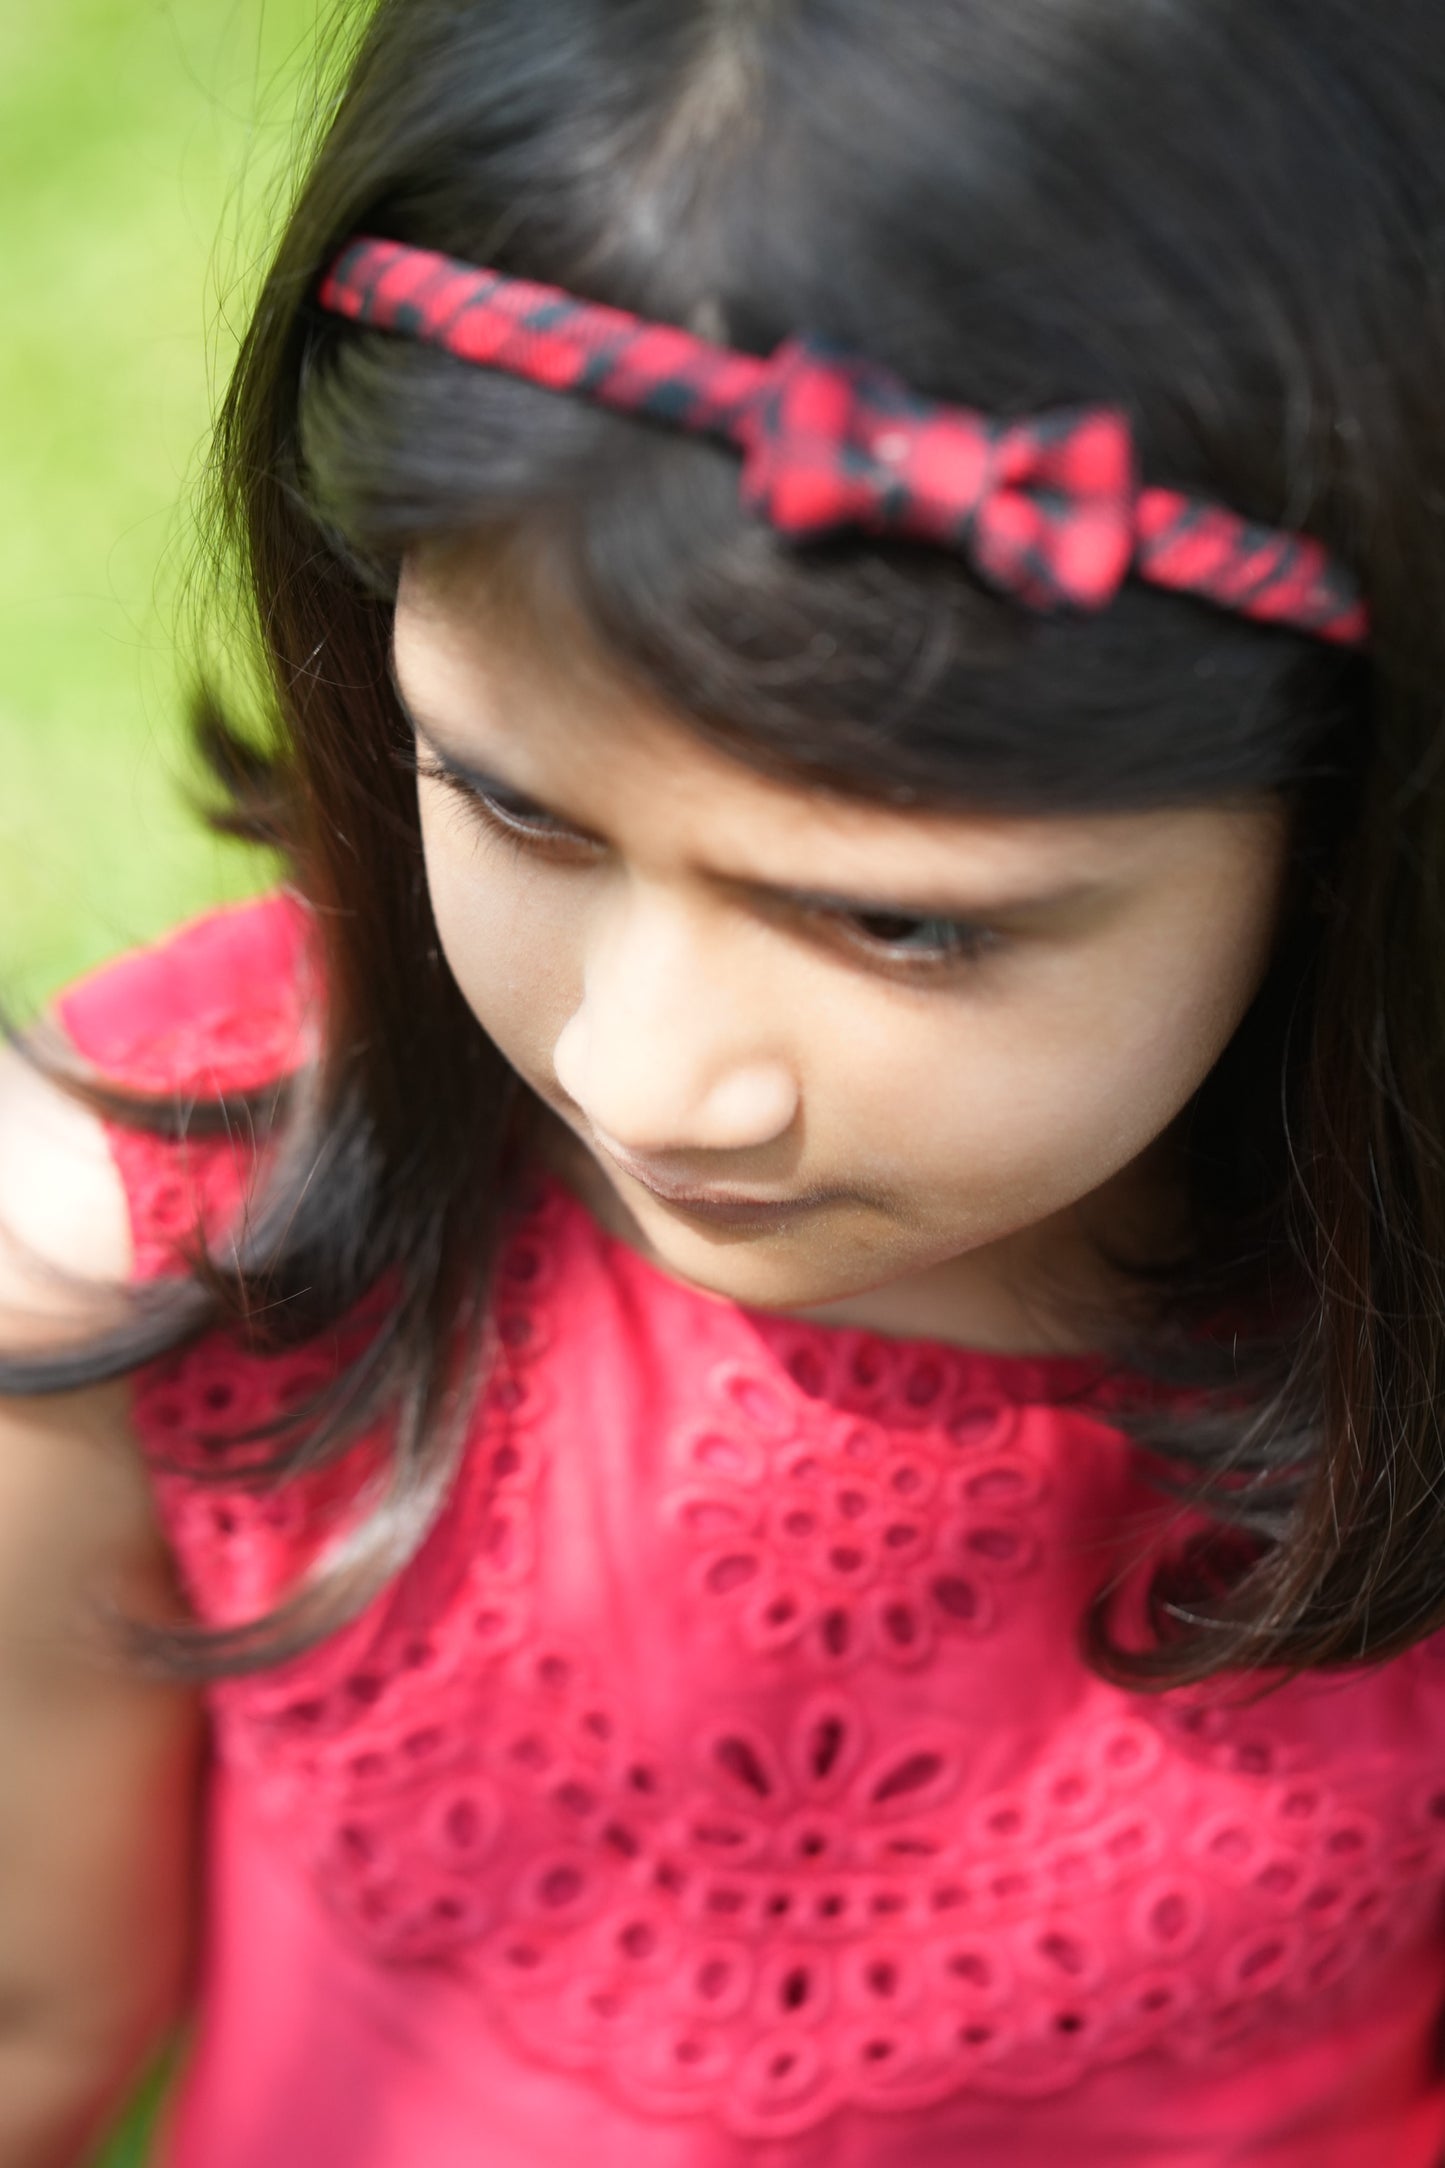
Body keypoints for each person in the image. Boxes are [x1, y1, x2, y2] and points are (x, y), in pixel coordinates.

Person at [3, 0, 1445, 2160]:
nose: (650, 1074)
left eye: (903, 925)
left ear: (1355, 824)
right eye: (512, 804)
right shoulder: (144, 1237)